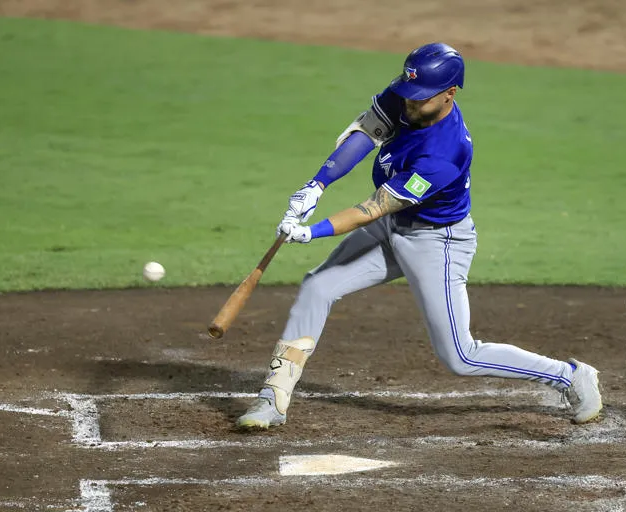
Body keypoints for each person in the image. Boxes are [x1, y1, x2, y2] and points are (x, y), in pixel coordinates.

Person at [237, 43, 603, 429]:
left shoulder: (444, 153)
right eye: (408, 96)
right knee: (317, 286)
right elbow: (366, 133)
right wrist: (316, 186)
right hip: (393, 227)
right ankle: (272, 398)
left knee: (460, 357)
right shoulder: (411, 93)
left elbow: (372, 209)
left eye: (420, 100)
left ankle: (570, 375)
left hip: (436, 242)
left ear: (450, 94)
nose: (409, 106)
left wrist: (312, 231)